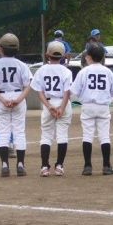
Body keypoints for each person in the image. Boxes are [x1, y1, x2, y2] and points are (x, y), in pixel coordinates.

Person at [70, 43, 113, 175]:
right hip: (103, 106)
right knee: (104, 136)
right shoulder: (107, 71)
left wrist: (81, 98)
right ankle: (106, 166)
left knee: (87, 135)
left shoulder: (84, 71)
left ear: (89, 57)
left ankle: (87, 166)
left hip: (88, 106)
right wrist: (105, 97)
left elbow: (74, 91)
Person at [0, 33, 32, 177]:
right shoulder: (22, 65)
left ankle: (5, 165)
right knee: (19, 132)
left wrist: (1, 99)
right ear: (17, 49)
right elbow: (28, 86)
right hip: (18, 96)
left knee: (3, 132)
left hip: (2, 97)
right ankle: (20, 164)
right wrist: (19, 100)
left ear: (1, 48)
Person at [34, 41, 73, 176]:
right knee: (62, 135)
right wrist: (61, 108)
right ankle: (59, 166)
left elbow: (39, 92)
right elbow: (67, 92)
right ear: (63, 56)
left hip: (48, 102)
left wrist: (49, 106)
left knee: (46, 136)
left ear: (47, 55)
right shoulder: (66, 71)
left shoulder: (41, 70)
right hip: (63, 103)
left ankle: (44, 167)